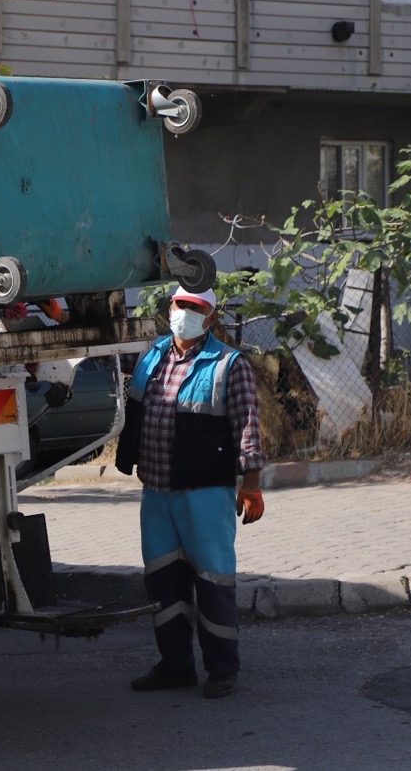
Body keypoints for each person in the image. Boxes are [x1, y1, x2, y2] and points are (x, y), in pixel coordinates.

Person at [115, 284, 265, 699]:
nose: (185, 313)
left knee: (213, 582)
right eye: (181, 305)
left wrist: (250, 485)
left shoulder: (228, 364)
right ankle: (175, 665)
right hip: (157, 493)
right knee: (164, 583)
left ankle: (222, 670)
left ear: (211, 317)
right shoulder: (153, 356)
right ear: (170, 308)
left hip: (206, 494)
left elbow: (247, 425)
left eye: (196, 308)